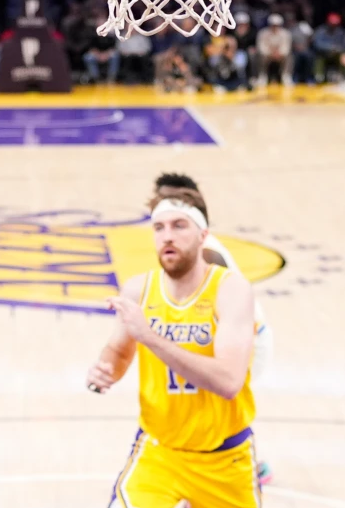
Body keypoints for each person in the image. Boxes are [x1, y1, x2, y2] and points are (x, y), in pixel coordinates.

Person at [88, 188, 259, 508]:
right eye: (159, 227)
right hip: (159, 453)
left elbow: (228, 382)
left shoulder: (230, 290)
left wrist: (150, 337)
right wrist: (105, 368)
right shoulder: (139, 289)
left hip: (224, 461)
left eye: (179, 226)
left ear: (203, 235)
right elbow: (119, 350)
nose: (167, 236)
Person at [153, 172, 273, 484]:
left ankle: (244, 464)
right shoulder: (179, 246)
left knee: (218, 397)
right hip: (230, 334)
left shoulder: (206, 252)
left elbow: (216, 311)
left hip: (248, 339)